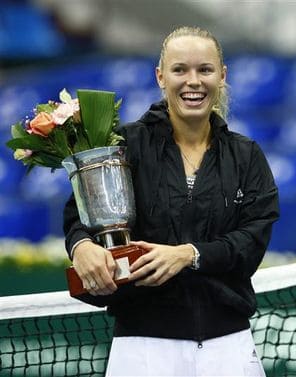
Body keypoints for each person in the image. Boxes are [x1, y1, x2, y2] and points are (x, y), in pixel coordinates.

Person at [63, 26, 279, 376]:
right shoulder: (123, 145)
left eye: (204, 70)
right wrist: (82, 246)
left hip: (228, 345)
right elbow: (78, 218)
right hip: (142, 346)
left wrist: (188, 254)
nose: (193, 81)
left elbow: (252, 241)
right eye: (180, 70)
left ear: (222, 77)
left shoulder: (247, 156)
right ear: (160, 77)